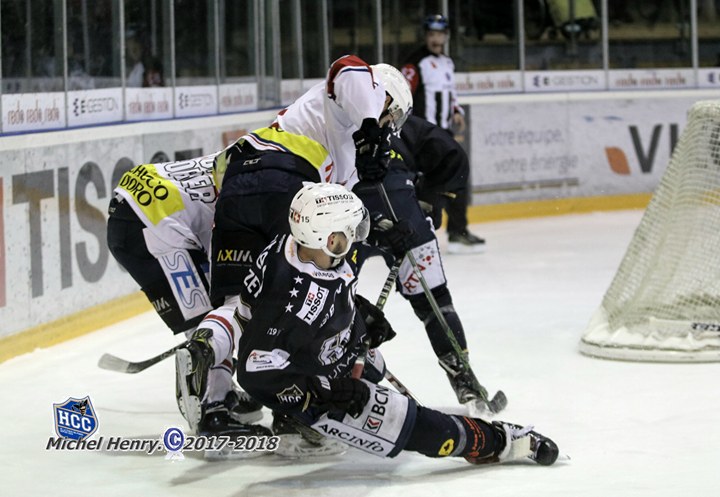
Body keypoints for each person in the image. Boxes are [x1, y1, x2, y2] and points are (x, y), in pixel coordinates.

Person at [180, 183, 559, 466]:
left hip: (332, 349)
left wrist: (355, 315)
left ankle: (300, 417)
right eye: (349, 234)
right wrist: (324, 395)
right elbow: (256, 370)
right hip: (322, 381)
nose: (356, 240)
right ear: (325, 237)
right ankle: (501, 441)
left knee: (374, 365)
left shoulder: (296, 246)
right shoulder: (291, 299)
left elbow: (304, 298)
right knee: (420, 428)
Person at [106, 152, 268, 438]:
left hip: (134, 211)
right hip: (155, 226)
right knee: (213, 318)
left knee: (209, 316)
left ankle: (222, 393)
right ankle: (213, 411)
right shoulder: (247, 201)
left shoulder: (251, 158)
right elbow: (228, 284)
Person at [400, 14, 486, 254]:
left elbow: (451, 94)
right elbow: (400, 94)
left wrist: (456, 111)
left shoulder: (447, 63)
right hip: (423, 137)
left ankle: (457, 232)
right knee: (425, 184)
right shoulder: (414, 63)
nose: (435, 39)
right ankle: (414, 235)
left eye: (439, 34)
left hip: (444, 134)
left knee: (457, 178)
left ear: (446, 36)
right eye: (431, 34)